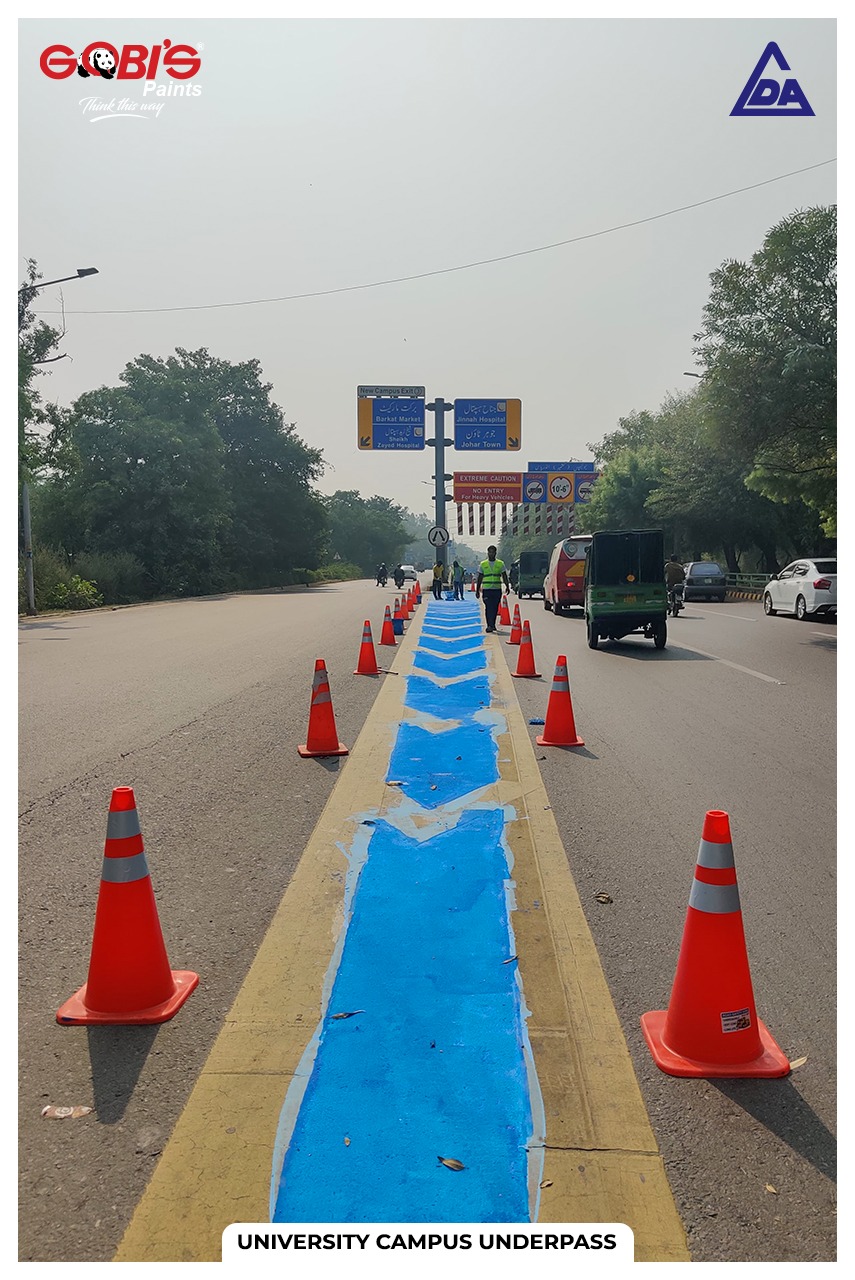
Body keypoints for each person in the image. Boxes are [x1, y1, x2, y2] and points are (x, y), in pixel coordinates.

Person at [476, 546, 510, 632]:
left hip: (496, 590)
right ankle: (489, 625)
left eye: (493, 552)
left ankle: (493, 624)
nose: (491, 554)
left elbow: (504, 576)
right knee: (488, 607)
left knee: (495, 608)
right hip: (487, 590)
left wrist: (507, 586)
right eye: (490, 552)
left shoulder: (500, 564)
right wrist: (477, 590)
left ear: (495, 553)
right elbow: (479, 577)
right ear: (487, 553)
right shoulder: (483, 564)